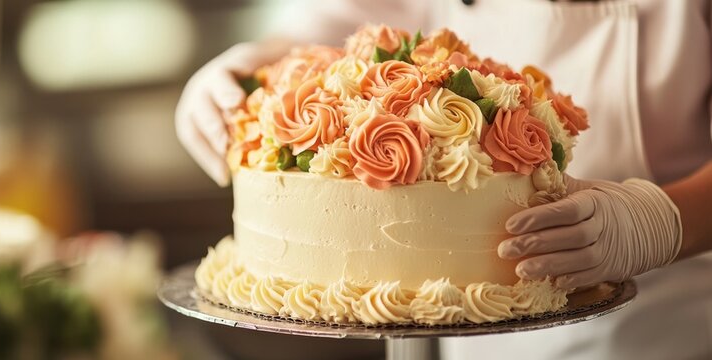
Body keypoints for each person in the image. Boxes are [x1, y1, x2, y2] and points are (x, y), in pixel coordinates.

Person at [175, 0, 712, 358]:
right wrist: (250, 67)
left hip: (667, 328)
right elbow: (335, 26)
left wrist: (661, 222)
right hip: (467, 326)